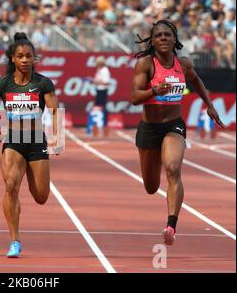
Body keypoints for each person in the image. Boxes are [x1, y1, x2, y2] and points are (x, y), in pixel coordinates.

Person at [131, 20, 224, 245]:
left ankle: (171, 226)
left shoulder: (183, 65)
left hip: (174, 125)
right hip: (149, 129)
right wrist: (154, 90)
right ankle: (165, 211)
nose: (162, 38)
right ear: (152, 41)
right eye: (158, 35)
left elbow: (197, 81)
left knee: (173, 168)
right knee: (151, 187)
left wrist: (209, 105)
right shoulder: (146, 64)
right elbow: (134, 98)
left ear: (175, 39)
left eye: (167, 35)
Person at [0, 32, 60, 258]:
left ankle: (31, 175)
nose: (25, 60)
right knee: (10, 186)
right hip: (13, 140)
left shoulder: (43, 83)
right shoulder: (2, 84)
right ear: (12, 59)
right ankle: (14, 240)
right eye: (20, 56)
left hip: (36, 141)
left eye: (28, 56)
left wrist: (55, 136)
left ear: (35, 59)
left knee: (41, 197)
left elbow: (55, 111)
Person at [91, 55, 111, 136]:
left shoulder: (105, 70)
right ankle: (97, 124)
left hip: (103, 90)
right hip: (99, 90)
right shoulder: (99, 70)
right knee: (97, 107)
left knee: (103, 107)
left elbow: (106, 82)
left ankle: (105, 124)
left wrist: (96, 82)